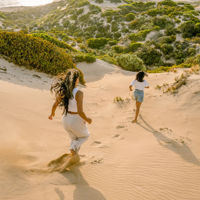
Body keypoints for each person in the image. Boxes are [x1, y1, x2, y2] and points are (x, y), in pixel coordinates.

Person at [48, 69, 92, 165]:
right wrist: (87, 119)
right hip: (75, 119)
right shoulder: (79, 93)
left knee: (74, 139)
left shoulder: (64, 91)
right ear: (76, 80)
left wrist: (52, 114)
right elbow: (80, 112)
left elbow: (55, 104)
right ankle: (72, 150)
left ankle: (74, 158)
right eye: (78, 78)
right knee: (85, 136)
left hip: (65, 119)